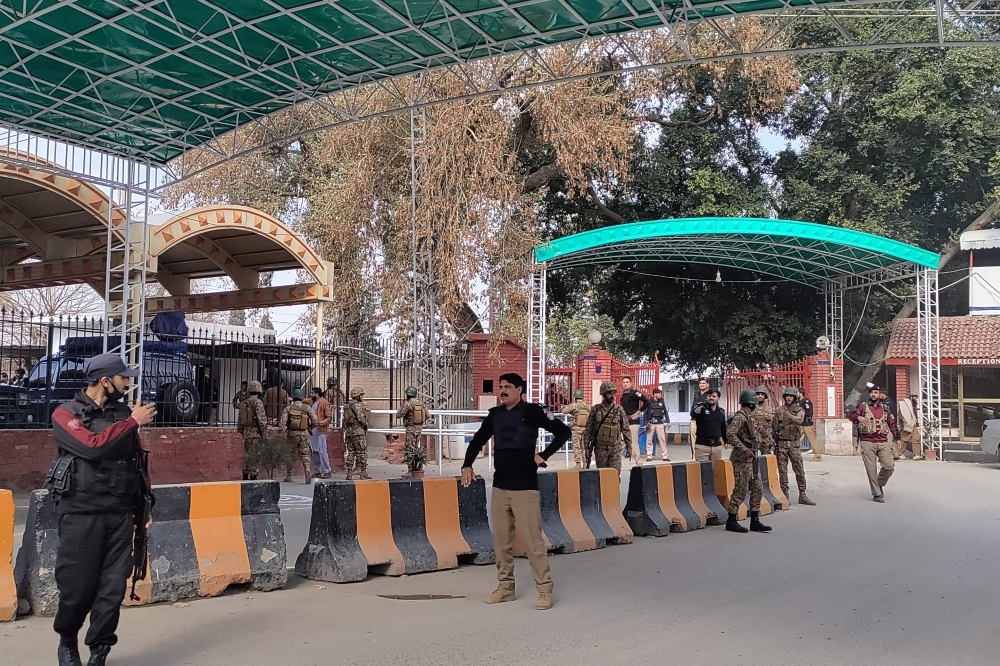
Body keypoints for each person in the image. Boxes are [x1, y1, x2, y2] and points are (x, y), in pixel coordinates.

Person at [47, 353, 157, 666]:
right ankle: (67, 641)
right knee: (77, 588)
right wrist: (132, 422)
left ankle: (99, 651)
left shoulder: (123, 414)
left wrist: (144, 506)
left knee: (112, 590)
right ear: (105, 381)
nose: (127, 383)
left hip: (119, 513)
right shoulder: (66, 413)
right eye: (123, 377)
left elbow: (137, 462)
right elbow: (91, 446)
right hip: (80, 514)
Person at [461, 372, 570, 611]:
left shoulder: (532, 412)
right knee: (501, 542)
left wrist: (543, 455)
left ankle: (544, 589)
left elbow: (564, 432)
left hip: (525, 488)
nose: (502, 391)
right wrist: (467, 465)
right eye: (500, 386)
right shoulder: (495, 415)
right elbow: (478, 440)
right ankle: (505, 588)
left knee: (533, 543)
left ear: (520, 390)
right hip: (500, 487)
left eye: (508, 387)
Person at [724, 389, 771, 534]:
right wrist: (744, 449)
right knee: (741, 489)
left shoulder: (748, 416)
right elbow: (730, 434)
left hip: (752, 457)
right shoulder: (740, 416)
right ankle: (731, 519)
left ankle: (755, 520)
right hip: (741, 459)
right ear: (751, 403)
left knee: (757, 488)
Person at [849, 385, 900, 503]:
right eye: (872, 392)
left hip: (882, 441)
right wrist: (858, 417)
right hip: (867, 441)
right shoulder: (863, 406)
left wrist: (897, 437)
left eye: (876, 392)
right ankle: (877, 493)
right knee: (871, 469)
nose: (873, 395)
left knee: (889, 466)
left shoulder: (885, 408)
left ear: (880, 394)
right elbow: (851, 415)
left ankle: (879, 483)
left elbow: (892, 423)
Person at [773, 387, 816, 506]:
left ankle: (802, 494)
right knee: (783, 472)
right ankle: (785, 495)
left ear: (794, 398)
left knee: (799, 470)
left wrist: (790, 416)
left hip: (794, 445)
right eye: (787, 396)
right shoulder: (778, 410)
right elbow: (774, 426)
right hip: (781, 445)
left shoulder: (799, 410)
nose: (789, 398)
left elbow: (800, 420)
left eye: (791, 396)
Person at [584, 381, 631, 473]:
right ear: (604, 394)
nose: (612, 396)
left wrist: (629, 446)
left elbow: (626, 429)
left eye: (613, 393)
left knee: (615, 473)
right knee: (603, 474)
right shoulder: (596, 409)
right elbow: (588, 429)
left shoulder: (619, 409)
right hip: (600, 448)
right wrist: (586, 447)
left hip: (615, 447)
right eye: (609, 393)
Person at [279, 388, 315, 484]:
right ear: (302, 397)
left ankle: (289, 475)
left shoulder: (288, 408)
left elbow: (282, 423)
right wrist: (310, 428)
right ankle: (307, 468)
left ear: (293, 397)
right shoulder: (307, 408)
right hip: (304, 434)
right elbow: (315, 420)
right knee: (305, 453)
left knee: (290, 454)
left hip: (292, 434)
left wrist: (283, 431)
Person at [236, 380, 267, 480]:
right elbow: (261, 420)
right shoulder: (258, 402)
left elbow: (240, 420)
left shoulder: (244, 403)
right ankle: (253, 475)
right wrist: (264, 433)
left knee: (247, 453)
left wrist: (242, 431)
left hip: (246, 432)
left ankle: (245, 473)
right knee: (255, 454)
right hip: (256, 433)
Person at [690, 388, 726, 462]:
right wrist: (695, 411)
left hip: (717, 447)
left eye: (714, 396)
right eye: (709, 396)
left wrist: (726, 440)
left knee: (715, 468)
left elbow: (723, 428)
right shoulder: (701, 408)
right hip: (702, 447)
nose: (711, 398)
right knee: (703, 468)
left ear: (718, 398)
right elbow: (693, 412)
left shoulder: (721, 412)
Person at [343, 386, 371, 480]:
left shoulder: (347, 406)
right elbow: (360, 418)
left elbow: (344, 420)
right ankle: (363, 472)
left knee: (351, 452)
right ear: (358, 396)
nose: (362, 397)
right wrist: (366, 424)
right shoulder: (358, 405)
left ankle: (349, 472)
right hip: (358, 432)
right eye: (361, 395)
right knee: (361, 452)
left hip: (349, 432)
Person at [619, 376, 646, 465]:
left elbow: (647, 401)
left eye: (627, 382)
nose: (625, 384)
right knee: (621, 440)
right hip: (624, 421)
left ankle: (638, 461)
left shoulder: (634, 393)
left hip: (633, 422)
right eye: (624, 382)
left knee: (633, 442)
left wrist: (639, 412)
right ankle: (615, 460)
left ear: (631, 383)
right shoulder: (624, 395)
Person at [561, 389, 591, 468]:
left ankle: (578, 464)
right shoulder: (587, 406)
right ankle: (585, 463)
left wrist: (565, 408)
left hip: (576, 428)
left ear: (575, 397)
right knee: (584, 446)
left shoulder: (574, 405)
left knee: (576, 446)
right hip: (585, 429)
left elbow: (564, 411)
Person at [309, 387, 333, 479]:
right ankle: (317, 471)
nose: (311, 394)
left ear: (317, 394)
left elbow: (329, 417)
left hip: (320, 430)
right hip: (313, 430)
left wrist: (321, 423)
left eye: (312, 393)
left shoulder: (324, 403)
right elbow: (304, 400)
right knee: (314, 450)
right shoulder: (312, 401)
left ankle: (327, 470)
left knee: (322, 450)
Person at [642, 387, 671, 462]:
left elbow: (665, 412)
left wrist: (668, 421)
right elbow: (645, 414)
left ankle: (665, 456)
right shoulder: (649, 402)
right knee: (649, 440)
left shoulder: (662, 401)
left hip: (660, 423)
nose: (660, 395)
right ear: (655, 394)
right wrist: (645, 424)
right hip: (651, 423)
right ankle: (649, 455)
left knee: (662, 440)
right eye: (659, 394)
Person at [396, 385, 427, 450]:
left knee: (409, 449)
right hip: (419, 429)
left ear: (408, 394)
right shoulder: (421, 403)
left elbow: (398, 415)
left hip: (410, 429)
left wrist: (401, 406)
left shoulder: (408, 404)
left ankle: (411, 457)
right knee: (415, 448)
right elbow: (427, 415)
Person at [688, 377, 713, 459]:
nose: (702, 385)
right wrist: (694, 412)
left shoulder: (710, 395)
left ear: (707, 384)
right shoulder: (696, 395)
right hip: (695, 420)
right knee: (693, 440)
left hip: (705, 422)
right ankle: (694, 458)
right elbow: (692, 409)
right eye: (700, 383)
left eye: (704, 383)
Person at [797, 388, 821, 461]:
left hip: (807, 424)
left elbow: (809, 412)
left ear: (801, 393)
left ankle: (817, 456)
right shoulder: (798, 402)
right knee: (796, 439)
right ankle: (794, 454)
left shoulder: (806, 402)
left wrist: (801, 415)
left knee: (812, 440)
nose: (796, 394)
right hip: (800, 424)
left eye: (797, 392)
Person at [897, 393, 923, 460]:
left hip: (913, 424)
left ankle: (917, 454)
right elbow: (899, 413)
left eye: (916, 397)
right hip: (907, 424)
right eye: (914, 397)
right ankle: (900, 453)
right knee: (904, 439)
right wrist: (904, 420)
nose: (916, 399)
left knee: (916, 439)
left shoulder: (914, 404)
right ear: (911, 397)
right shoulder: (904, 404)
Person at [750, 386, 775, 455]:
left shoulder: (769, 409)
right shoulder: (751, 408)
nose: (760, 396)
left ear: (765, 396)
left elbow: (774, 424)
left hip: (765, 437)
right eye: (758, 394)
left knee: (766, 457)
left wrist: (772, 418)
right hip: (753, 436)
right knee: (751, 457)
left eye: (762, 394)